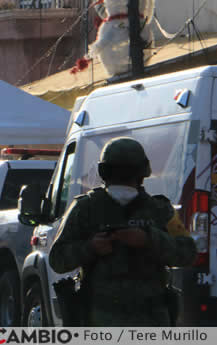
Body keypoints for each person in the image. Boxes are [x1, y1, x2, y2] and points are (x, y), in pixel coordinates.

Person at [49, 137, 197, 326]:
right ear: (144, 171)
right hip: (119, 319)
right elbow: (57, 259)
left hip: (133, 318)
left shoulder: (158, 209)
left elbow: (187, 252)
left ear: (103, 171)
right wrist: (91, 247)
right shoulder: (88, 208)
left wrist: (148, 239)